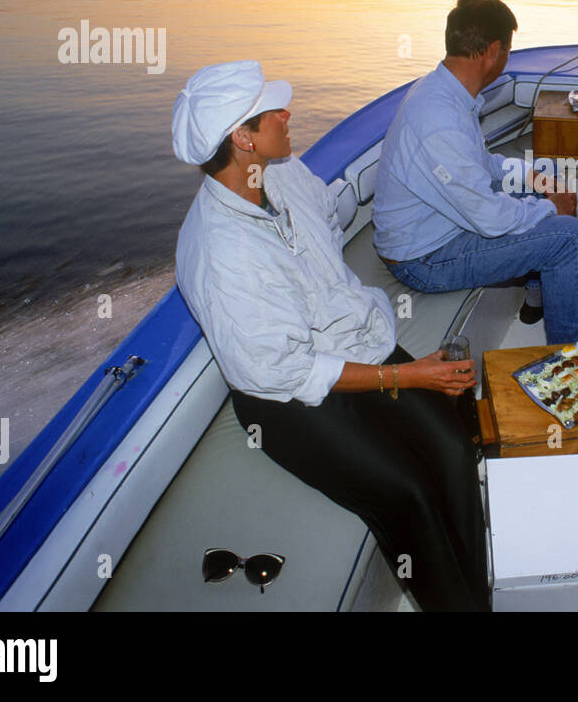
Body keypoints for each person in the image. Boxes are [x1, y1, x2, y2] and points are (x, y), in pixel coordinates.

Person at [172, 59, 489, 611]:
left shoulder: (283, 173)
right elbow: (288, 372)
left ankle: (477, 600)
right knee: (406, 492)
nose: (287, 113)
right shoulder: (221, 256)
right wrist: (412, 374)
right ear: (242, 139)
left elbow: (325, 218)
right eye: (272, 111)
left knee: (453, 451)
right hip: (285, 399)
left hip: (356, 345)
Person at [373, 0, 578, 345]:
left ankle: (536, 298)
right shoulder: (439, 119)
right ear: (493, 51)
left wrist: (536, 178)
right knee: (567, 238)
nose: (507, 58)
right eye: (508, 50)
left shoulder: (446, 92)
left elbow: (483, 165)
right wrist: (554, 209)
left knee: (546, 169)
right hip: (424, 258)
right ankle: (576, 358)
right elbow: (488, 218)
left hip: (443, 226)